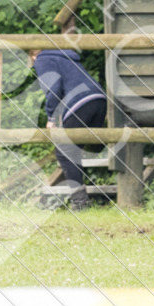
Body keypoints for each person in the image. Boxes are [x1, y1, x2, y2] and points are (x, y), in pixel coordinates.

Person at [32, 47, 108, 210]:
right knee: (75, 149)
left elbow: (53, 89)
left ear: (32, 55)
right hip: (99, 99)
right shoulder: (66, 57)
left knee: (64, 151)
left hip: (80, 102)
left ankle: (80, 202)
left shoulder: (42, 59)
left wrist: (51, 117)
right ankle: (81, 200)